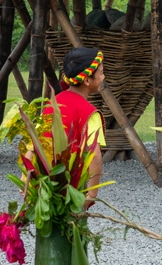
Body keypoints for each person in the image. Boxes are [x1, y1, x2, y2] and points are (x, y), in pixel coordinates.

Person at [29, 46, 106, 207]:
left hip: (43, 189)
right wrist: (91, 195)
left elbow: (34, 144)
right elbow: (95, 156)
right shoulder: (89, 113)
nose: (103, 77)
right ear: (86, 80)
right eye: (101, 73)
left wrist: (26, 183)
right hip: (72, 191)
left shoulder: (53, 103)